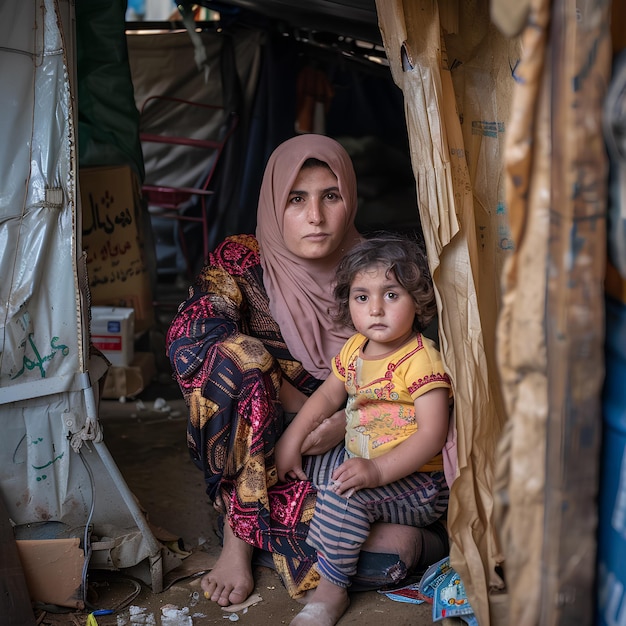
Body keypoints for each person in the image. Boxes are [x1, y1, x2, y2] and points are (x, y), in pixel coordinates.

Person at [165, 134, 450, 610]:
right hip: (268, 447)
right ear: (275, 202)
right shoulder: (241, 261)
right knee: (234, 359)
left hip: (367, 446)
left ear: (349, 200)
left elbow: (429, 377)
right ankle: (240, 536)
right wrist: (293, 406)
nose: (315, 217)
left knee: (391, 547)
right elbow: (188, 336)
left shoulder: (377, 273)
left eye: (330, 196)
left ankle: (411, 542)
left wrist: (347, 417)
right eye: (296, 199)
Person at [275, 234, 452, 625]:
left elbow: (431, 435)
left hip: (417, 484)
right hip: (361, 458)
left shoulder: (421, 361)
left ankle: (331, 591)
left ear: (419, 301)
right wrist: (290, 443)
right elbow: (324, 399)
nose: (375, 309)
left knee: (345, 493)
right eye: (361, 297)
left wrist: (375, 472)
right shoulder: (355, 349)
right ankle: (337, 530)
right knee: (306, 466)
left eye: (391, 295)